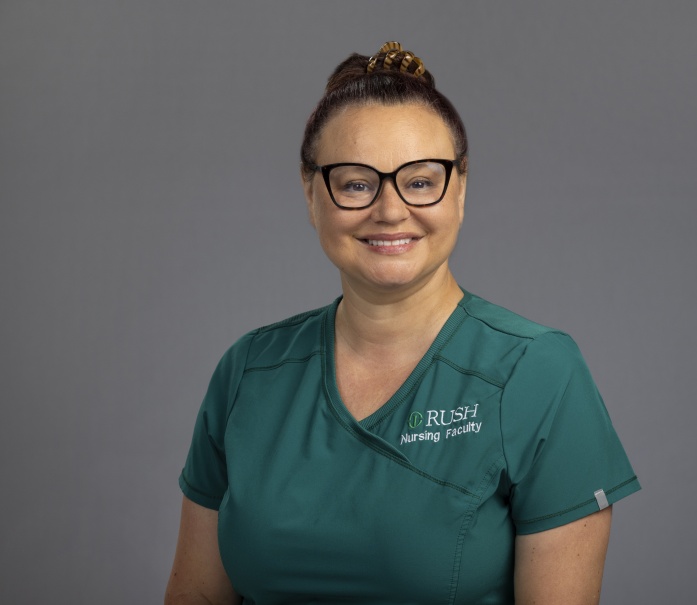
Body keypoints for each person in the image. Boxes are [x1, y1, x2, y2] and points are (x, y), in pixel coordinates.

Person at [165, 41, 640, 605]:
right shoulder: (249, 371)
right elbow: (196, 595)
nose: (390, 211)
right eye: (356, 183)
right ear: (312, 194)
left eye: (419, 181)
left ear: (459, 189)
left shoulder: (539, 373)